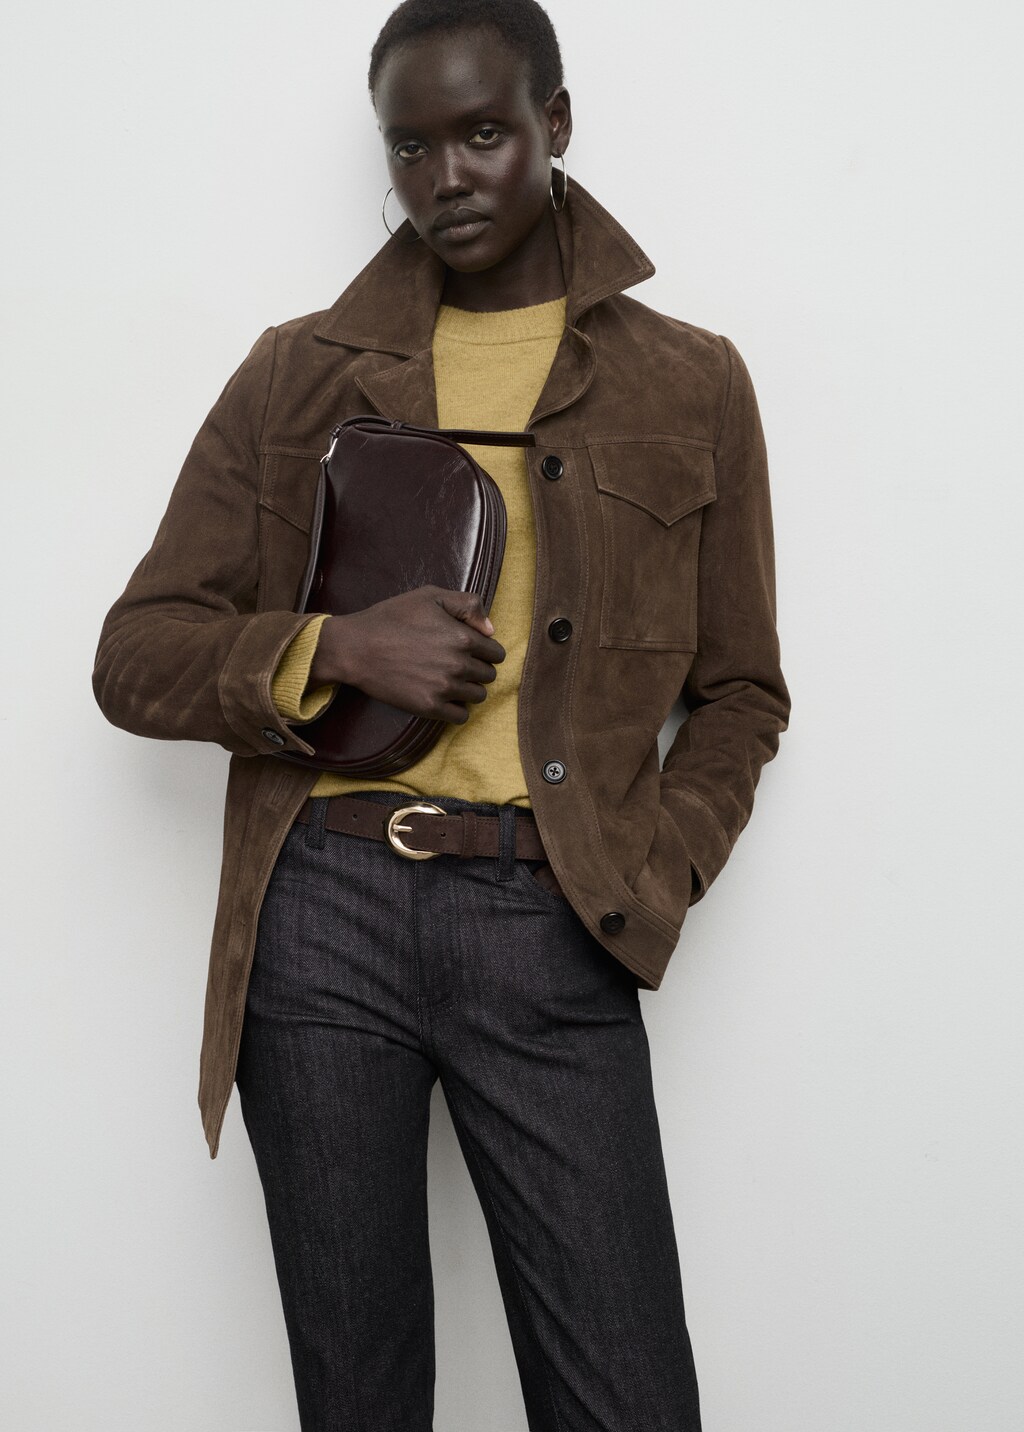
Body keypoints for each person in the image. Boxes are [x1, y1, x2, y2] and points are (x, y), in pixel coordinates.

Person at [92, 1, 791, 1427]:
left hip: (553, 917)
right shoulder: (295, 374)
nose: (448, 175)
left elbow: (740, 691)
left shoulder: (689, 380)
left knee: (626, 1396)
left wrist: (653, 864)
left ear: (556, 124)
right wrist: (334, 647)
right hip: (322, 919)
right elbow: (135, 655)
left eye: (482, 132)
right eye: (410, 146)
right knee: (359, 1398)